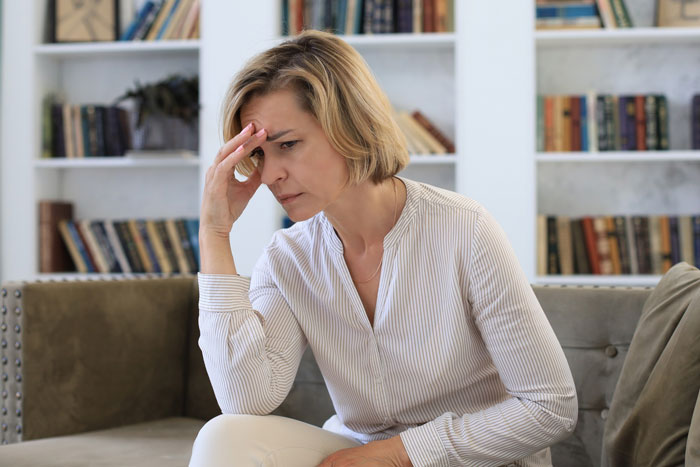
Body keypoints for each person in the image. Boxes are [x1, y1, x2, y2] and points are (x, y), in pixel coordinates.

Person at [190, 29, 577, 467]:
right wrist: (214, 234)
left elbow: (550, 407)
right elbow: (246, 397)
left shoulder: (464, 229)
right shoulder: (287, 258)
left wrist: (397, 456)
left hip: (477, 458)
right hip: (359, 450)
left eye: (288, 145)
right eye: (259, 155)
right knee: (226, 437)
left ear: (348, 126)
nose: (270, 174)